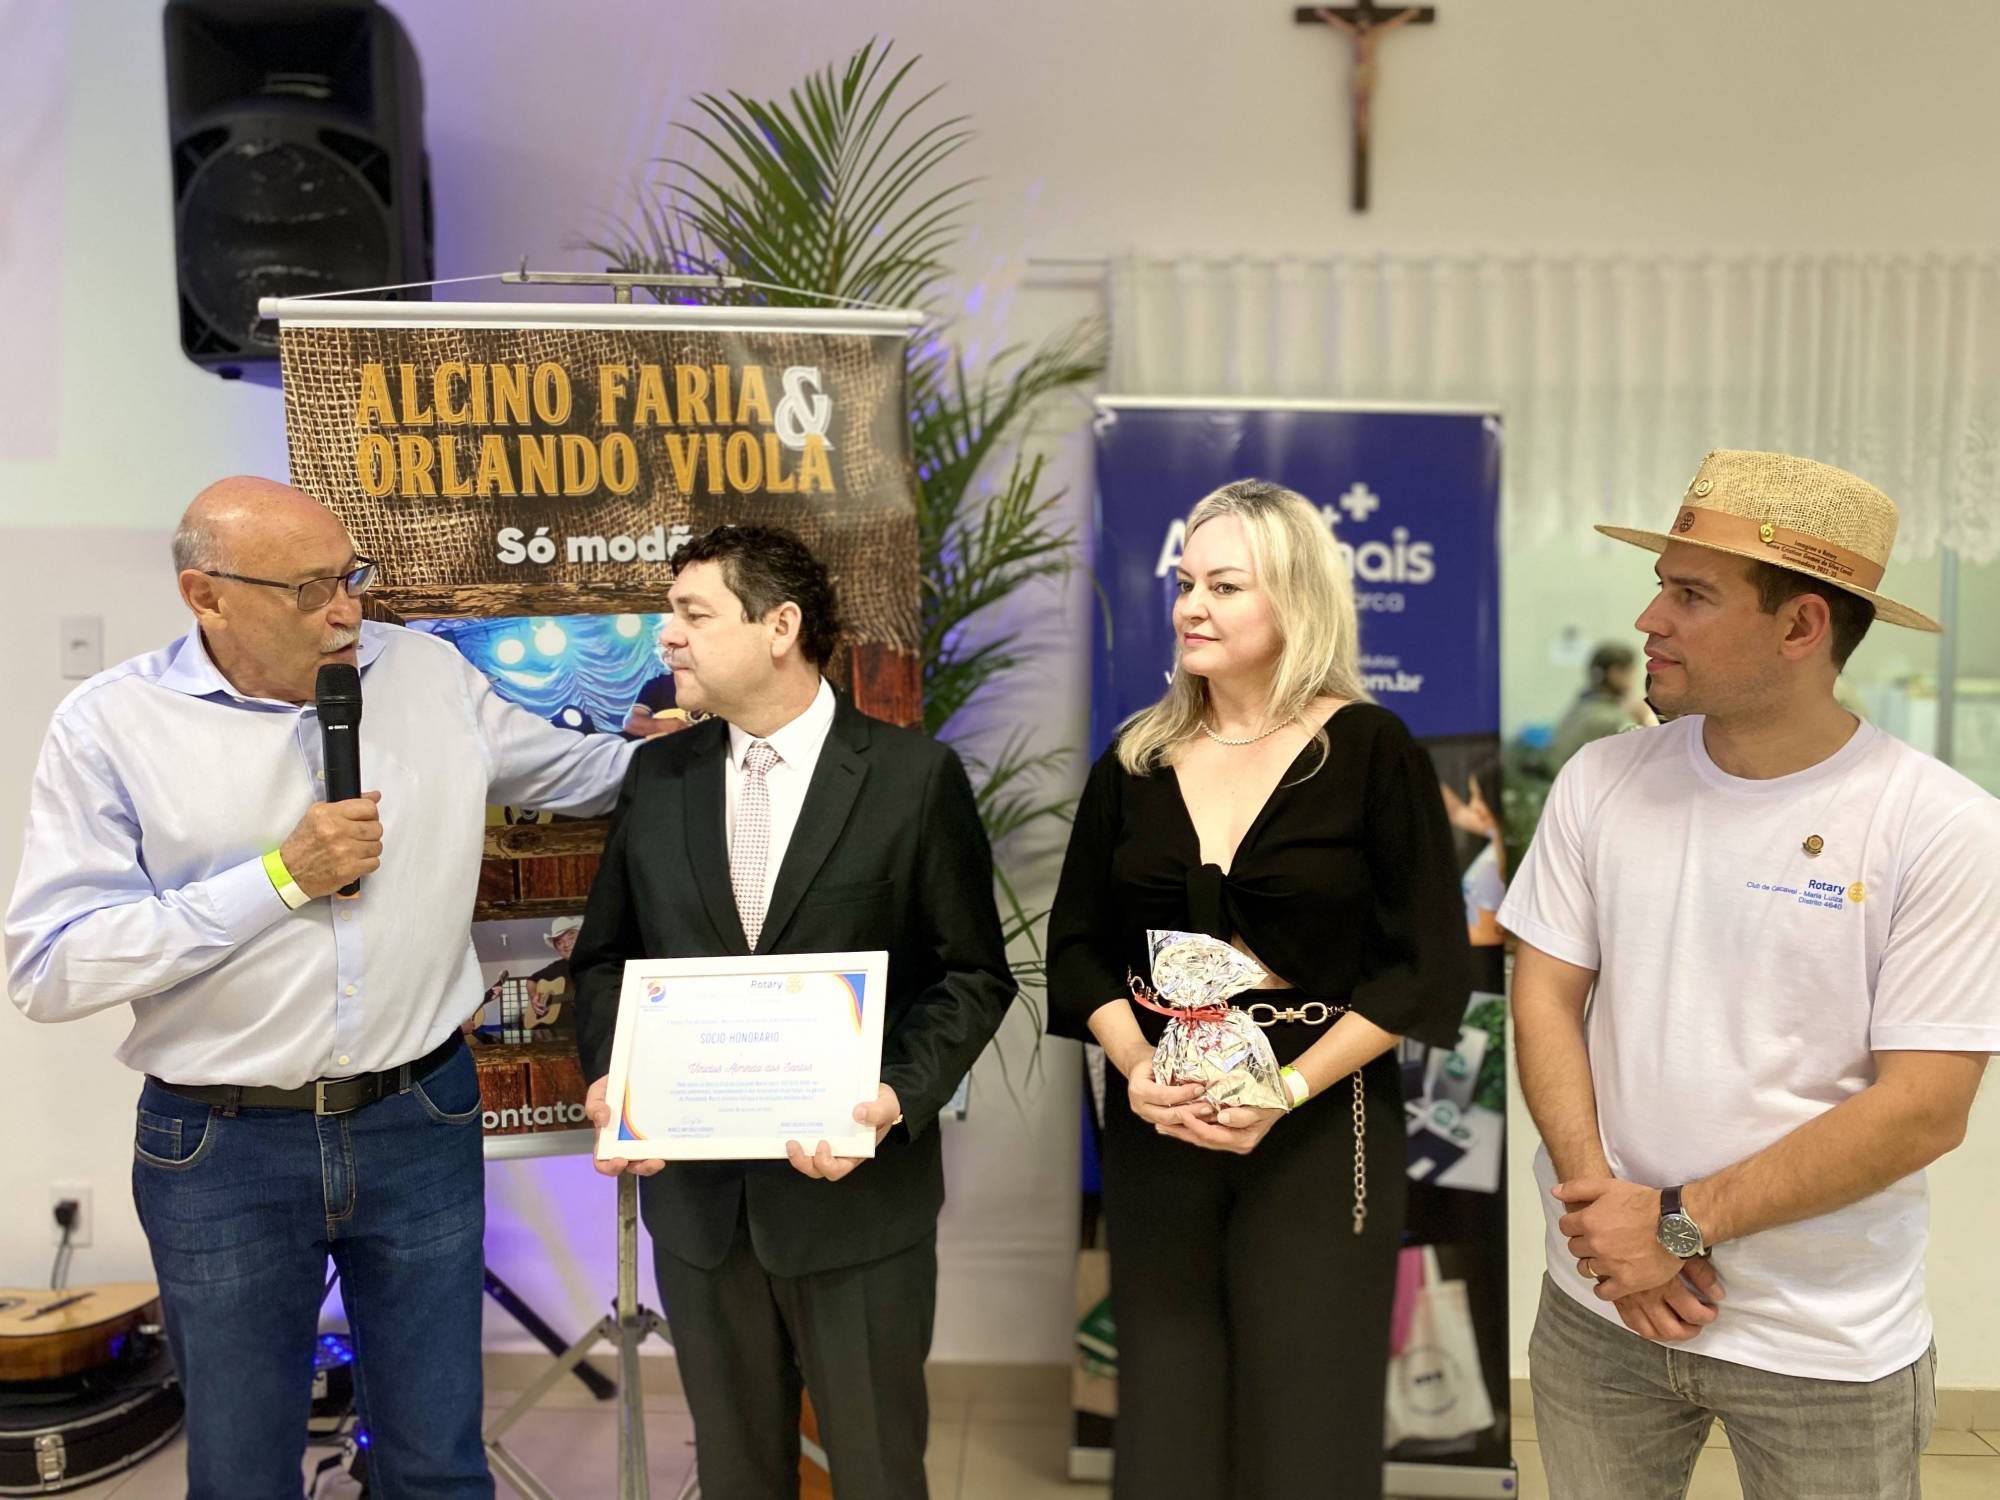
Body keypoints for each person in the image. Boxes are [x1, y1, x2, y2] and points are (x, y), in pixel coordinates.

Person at [4, 477, 639, 1500]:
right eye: (307, 590)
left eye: (348, 577)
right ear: (204, 595)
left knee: (437, 1462)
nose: (345, 611)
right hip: (222, 1146)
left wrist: (732, 744)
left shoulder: (425, 676)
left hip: (420, 1118)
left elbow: (580, 774)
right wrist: (278, 879)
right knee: (245, 1472)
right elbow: (53, 967)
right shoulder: (111, 728)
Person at [1502, 450, 2000, 1500]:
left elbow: (1922, 1110)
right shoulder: (1601, 780)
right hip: (1598, 1314)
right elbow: (1543, 994)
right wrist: (1605, 1224)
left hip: (1823, 1341)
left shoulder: (1942, 829)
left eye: (1687, 594)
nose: (1647, 620)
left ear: (1798, 627)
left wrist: (1673, 1226)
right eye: (1660, 585)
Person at [570, 524, 1015, 1500]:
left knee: (876, 1473)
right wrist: (616, 1076)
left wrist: (894, 1095)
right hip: (701, 1215)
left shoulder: (910, 779)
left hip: (856, 1208)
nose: (666, 639)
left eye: (691, 614)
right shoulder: (658, 778)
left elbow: (973, 974)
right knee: (735, 1478)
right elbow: (605, 961)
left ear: (779, 625)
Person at [1045, 479, 1471, 1499]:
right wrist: (1138, 1067)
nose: (1190, 604)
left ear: (1296, 599)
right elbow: (1074, 948)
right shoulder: (1135, 759)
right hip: (1161, 1114)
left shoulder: (1371, 752)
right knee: (1166, 1411)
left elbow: (1422, 965)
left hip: (1319, 1122)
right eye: (1185, 581)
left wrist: (1281, 1089)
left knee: (1306, 1418)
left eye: (1223, 586)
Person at [1548, 641, 1650, 768]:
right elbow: (1650, 755)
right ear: (1615, 673)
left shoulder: (1581, 706)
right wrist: (1646, 717)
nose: (1634, 678)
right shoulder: (1611, 719)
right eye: (1630, 671)